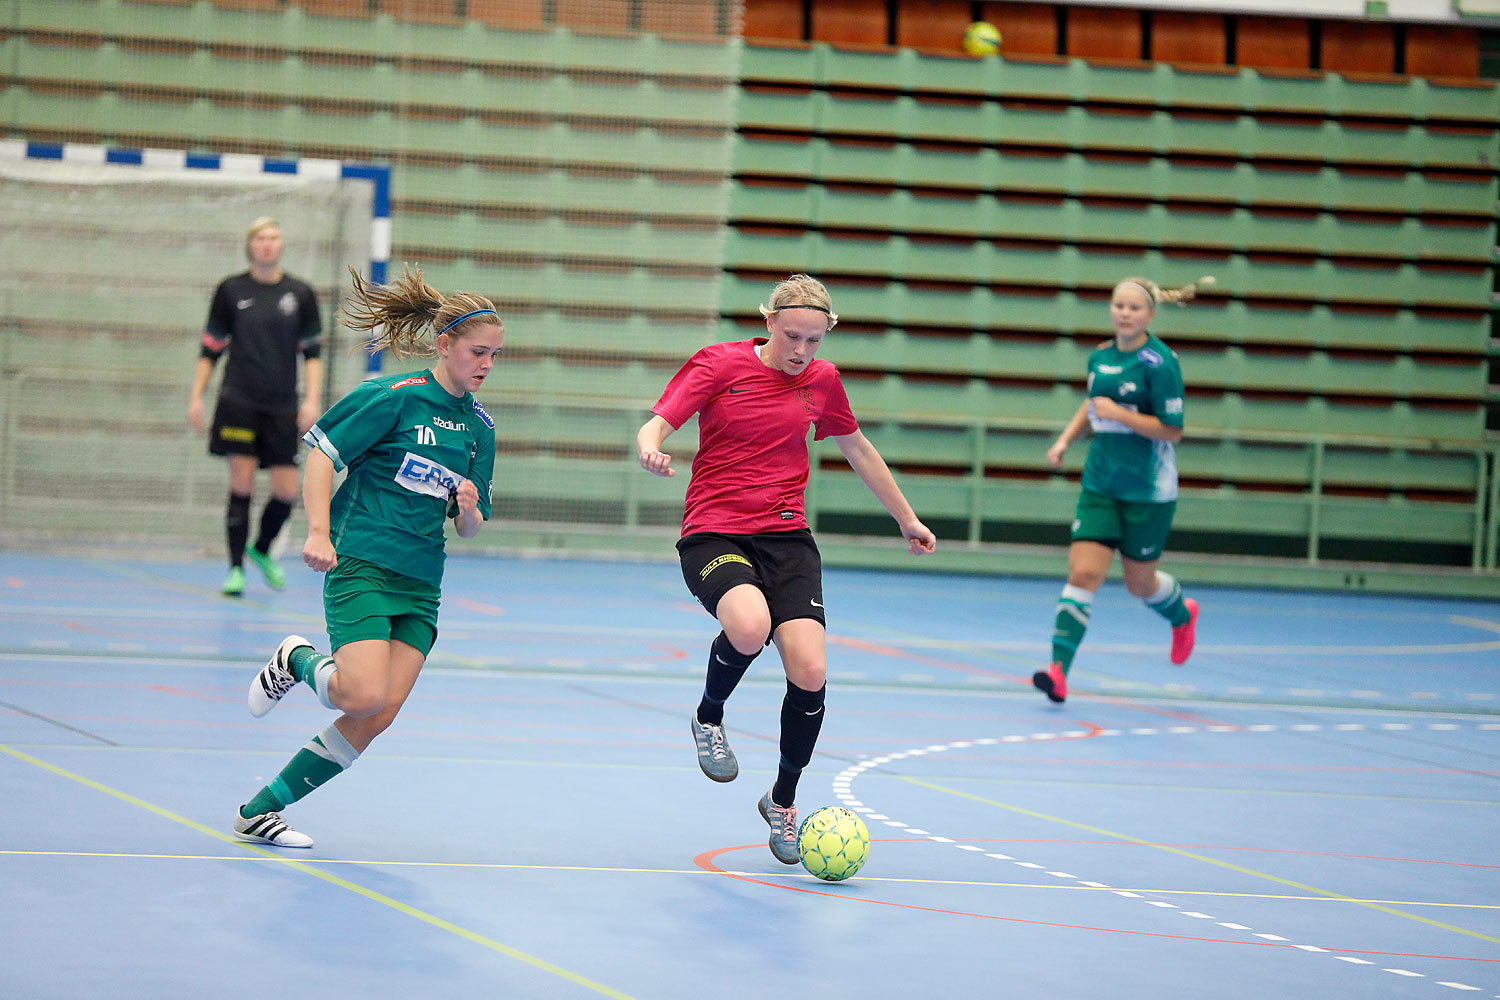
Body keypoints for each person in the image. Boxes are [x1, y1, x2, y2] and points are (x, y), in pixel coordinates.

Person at [637, 273, 937, 865]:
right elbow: (659, 420)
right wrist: (650, 445)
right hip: (715, 530)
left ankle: (782, 799)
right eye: (793, 336)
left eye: (815, 340)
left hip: (787, 538)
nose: (802, 351)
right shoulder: (719, 366)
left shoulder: (823, 381)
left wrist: (906, 518)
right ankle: (708, 715)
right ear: (769, 323)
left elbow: (857, 448)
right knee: (748, 625)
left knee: (810, 668)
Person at [231, 264, 503, 848]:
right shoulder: (391, 400)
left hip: (422, 583)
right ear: (445, 343)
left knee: (379, 713)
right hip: (364, 564)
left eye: (494, 356)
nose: (484, 365)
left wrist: (470, 505)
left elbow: (472, 529)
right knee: (360, 693)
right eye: (476, 352)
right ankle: (297, 660)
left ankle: (261, 810)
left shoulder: (480, 429)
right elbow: (322, 457)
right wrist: (318, 533)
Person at [1034, 275, 1213, 705]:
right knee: (1084, 574)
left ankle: (1180, 612)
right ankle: (1058, 671)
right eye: (1118, 306)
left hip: (1148, 492)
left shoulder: (1161, 363)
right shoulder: (1100, 357)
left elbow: (1172, 430)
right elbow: (1092, 403)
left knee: (1139, 584)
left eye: (1134, 308)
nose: (1125, 313)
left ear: (1150, 314)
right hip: (1100, 485)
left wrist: (1120, 414)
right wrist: (1065, 440)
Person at [187, 217, 324, 597]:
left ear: (281, 245)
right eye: (260, 239)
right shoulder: (231, 290)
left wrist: (311, 400)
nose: (266, 244)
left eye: (273, 238)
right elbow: (210, 348)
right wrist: (196, 396)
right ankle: (234, 570)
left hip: (282, 405)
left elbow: (312, 353)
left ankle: (260, 550)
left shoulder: (301, 293)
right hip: (238, 401)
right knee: (241, 482)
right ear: (250, 245)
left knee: (286, 490)